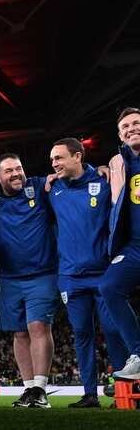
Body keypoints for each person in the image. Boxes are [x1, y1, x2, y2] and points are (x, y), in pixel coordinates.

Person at [47, 137, 128, 407]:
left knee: (113, 329)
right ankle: (89, 394)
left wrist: (108, 168)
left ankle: (121, 392)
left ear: (78, 156)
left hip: (103, 272)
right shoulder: (53, 189)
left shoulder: (104, 182)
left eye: (59, 158)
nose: (54, 163)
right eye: (52, 160)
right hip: (70, 277)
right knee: (82, 334)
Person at [0, 153, 57, 408]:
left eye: (19, 168)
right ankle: (28, 389)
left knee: (38, 327)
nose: (16, 173)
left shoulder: (39, 187)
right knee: (18, 333)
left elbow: (69, 176)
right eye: (9, 171)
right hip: (8, 277)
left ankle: (40, 388)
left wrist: (102, 168)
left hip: (42, 273)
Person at [102, 107, 140, 380]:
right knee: (109, 286)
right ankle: (138, 354)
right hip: (135, 246)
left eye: (136, 123)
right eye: (125, 127)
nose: (131, 129)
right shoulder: (120, 162)